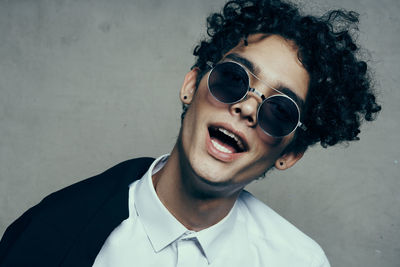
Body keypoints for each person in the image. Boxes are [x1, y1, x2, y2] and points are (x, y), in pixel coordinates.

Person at [0, 0, 381, 266]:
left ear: (289, 154)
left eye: (280, 110)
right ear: (191, 84)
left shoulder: (299, 261)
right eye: (234, 78)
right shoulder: (51, 228)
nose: (247, 107)